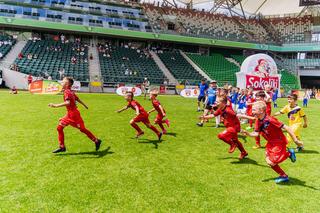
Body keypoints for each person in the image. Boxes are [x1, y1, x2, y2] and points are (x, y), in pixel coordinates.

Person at [241, 101, 303, 183]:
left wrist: (295, 140)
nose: (252, 112)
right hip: (270, 142)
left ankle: (288, 154)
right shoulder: (258, 121)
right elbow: (256, 133)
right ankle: (284, 175)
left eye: (254, 110)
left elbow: (287, 128)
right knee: (269, 162)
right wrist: (248, 133)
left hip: (279, 142)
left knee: (272, 162)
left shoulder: (270, 120)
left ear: (261, 111)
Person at [48, 77, 102, 153]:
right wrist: (85, 105)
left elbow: (68, 103)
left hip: (74, 116)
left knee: (82, 129)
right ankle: (62, 147)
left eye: (63, 82)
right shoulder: (70, 91)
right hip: (69, 114)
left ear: (68, 84)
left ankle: (96, 140)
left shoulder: (67, 92)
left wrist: (55, 105)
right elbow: (77, 99)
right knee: (59, 128)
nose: (61, 83)